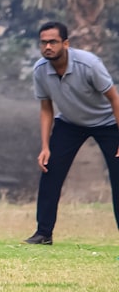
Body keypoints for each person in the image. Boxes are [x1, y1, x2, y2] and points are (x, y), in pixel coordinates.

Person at [26, 21, 119, 245]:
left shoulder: (88, 65)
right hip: (70, 123)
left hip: (107, 122)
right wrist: (45, 147)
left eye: (53, 42)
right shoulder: (40, 69)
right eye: (44, 42)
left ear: (65, 43)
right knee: (50, 171)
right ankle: (43, 233)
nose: (47, 46)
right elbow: (46, 108)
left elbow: (115, 99)